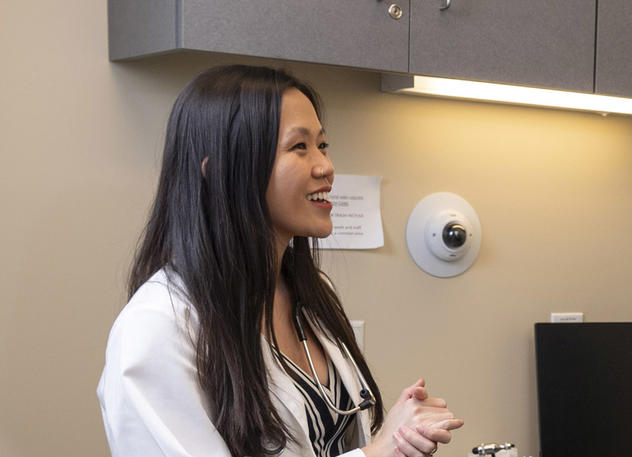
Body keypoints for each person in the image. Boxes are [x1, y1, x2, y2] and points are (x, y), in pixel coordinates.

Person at [98, 65, 465, 457]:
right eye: (299, 147)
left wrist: (399, 437)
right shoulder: (155, 330)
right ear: (219, 170)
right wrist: (378, 453)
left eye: (322, 146)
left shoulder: (309, 293)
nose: (326, 167)